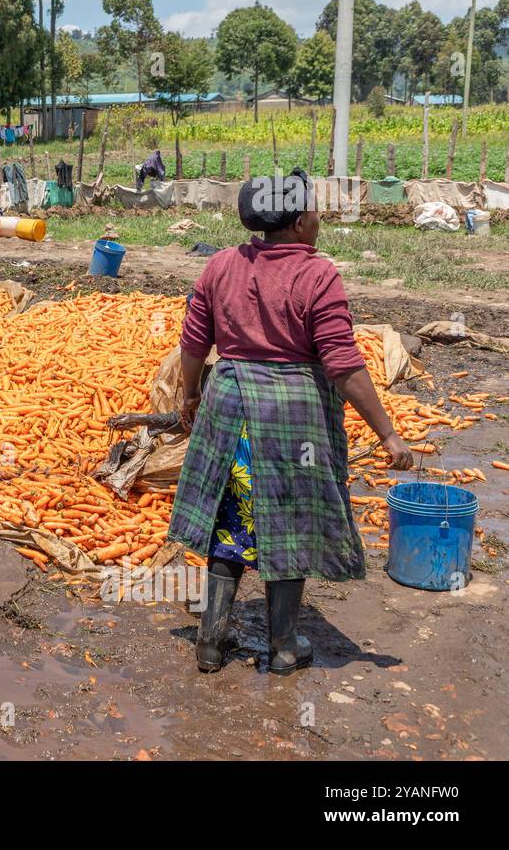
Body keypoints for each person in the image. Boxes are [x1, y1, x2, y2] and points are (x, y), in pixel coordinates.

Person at [167, 169, 414, 676]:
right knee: (290, 526)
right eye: (317, 212)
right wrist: (387, 432)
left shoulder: (220, 266)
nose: (320, 219)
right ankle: (282, 647)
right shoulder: (318, 275)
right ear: (301, 221)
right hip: (293, 418)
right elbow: (343, 365)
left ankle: (211, 642)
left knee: (229, 522)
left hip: (230, 411)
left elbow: (193, 347)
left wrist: (190, 397)